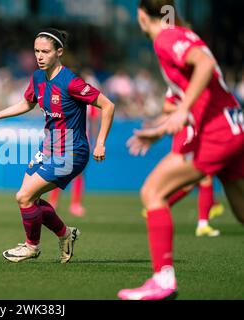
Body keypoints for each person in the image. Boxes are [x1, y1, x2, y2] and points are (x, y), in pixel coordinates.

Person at [119, 0, 244, 300]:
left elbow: (204, 64)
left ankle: (163, 280)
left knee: (153, 192)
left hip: (216, 134)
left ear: (141, 15)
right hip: (234, 125)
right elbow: (195, 91)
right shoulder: (182, 32)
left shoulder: (166, 38)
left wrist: (182, 109)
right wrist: (161, 129)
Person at [0, 28, 115, 263]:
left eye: (45, 51)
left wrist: (100, 143)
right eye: (36, 51)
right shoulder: (38, 77)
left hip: (72, 152)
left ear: (59, 52)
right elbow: (27, 103)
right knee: (30, 200)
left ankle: (32, 247)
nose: (39, 56)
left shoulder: (71, 82)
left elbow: (108, 106)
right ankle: (66, 234)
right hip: (48, 149)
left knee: (24, 196)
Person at [141, 98, 225, 237]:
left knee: (194, 181)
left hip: (196, 132)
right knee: (203, 176)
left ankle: (157, 205)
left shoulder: (193, 87)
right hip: (188, 134)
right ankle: (202, 222)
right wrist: (187, 108)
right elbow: (168, 108)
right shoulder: (184, 86)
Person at [48, 103, 101, 217]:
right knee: (59, 169)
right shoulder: (66, 95)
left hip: (80, 139)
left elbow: (95, 120)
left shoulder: (89, 100)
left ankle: (75, 204)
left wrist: (96, 140)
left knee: (79, 172)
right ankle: (53, 202)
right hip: (63, 136)